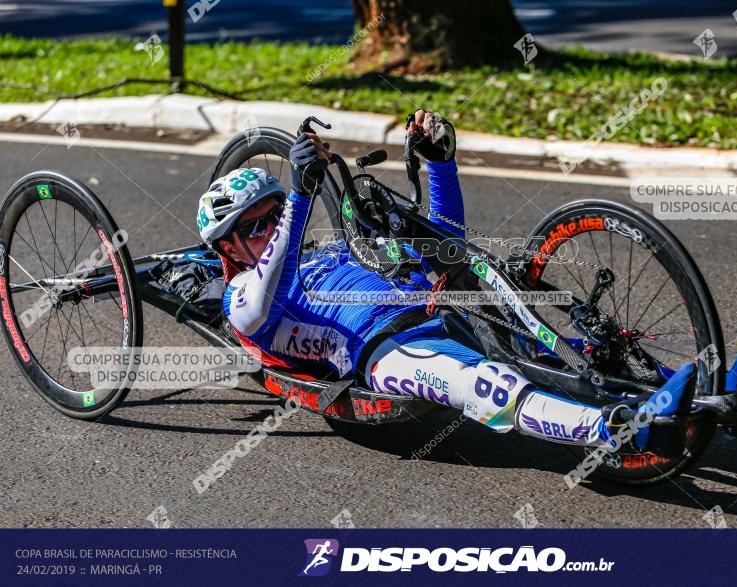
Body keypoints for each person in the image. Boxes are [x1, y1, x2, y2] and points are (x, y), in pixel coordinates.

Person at [196, 110, 707, 448]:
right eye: (255, 225)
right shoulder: (242, 297)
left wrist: (441, 166)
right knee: (487, 386)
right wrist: (301, 198)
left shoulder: (330, 253)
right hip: (386, 351)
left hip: (446, 311)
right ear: (228, 245)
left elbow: (443, 250)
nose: (272, 228)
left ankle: (713, 386)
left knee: (565, 350)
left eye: (275, 213)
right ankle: (616, 432)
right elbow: (269, 298)